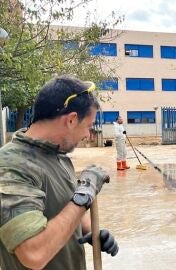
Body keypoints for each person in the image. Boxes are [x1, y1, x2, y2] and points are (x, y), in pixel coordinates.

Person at [0, 75, 119, 270]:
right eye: (88, 127)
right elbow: (33, 253)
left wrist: (92, 231)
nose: (87, 135)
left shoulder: (60, 157)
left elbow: (67, 209)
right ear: (72, 120)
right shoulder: (11, 165)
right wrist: (84, 196)